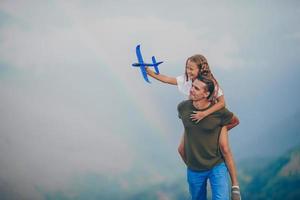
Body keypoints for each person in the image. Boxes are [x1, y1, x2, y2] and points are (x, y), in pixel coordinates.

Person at [146, 54, 241, 200]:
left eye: (191, 68)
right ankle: (196, 171)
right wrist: (150, 73)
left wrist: (206, 115)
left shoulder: (212, 84)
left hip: (213, 114)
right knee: (181, 149)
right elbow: (167, 79)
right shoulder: (185, 87)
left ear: (200, 70)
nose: (188, 71)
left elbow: (222, 104)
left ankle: (235, 187)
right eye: (186, 67)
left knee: (224, 147)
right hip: (193, 120)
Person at [178, 75, 233, 200]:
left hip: (217, 165)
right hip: (194, 169)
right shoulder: (182, 108)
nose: (191, 89)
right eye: (192, 86)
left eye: (196, 88)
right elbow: (189, 128)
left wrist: (220, 131)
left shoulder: (220, 111)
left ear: (206, 93)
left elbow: (234, 121)